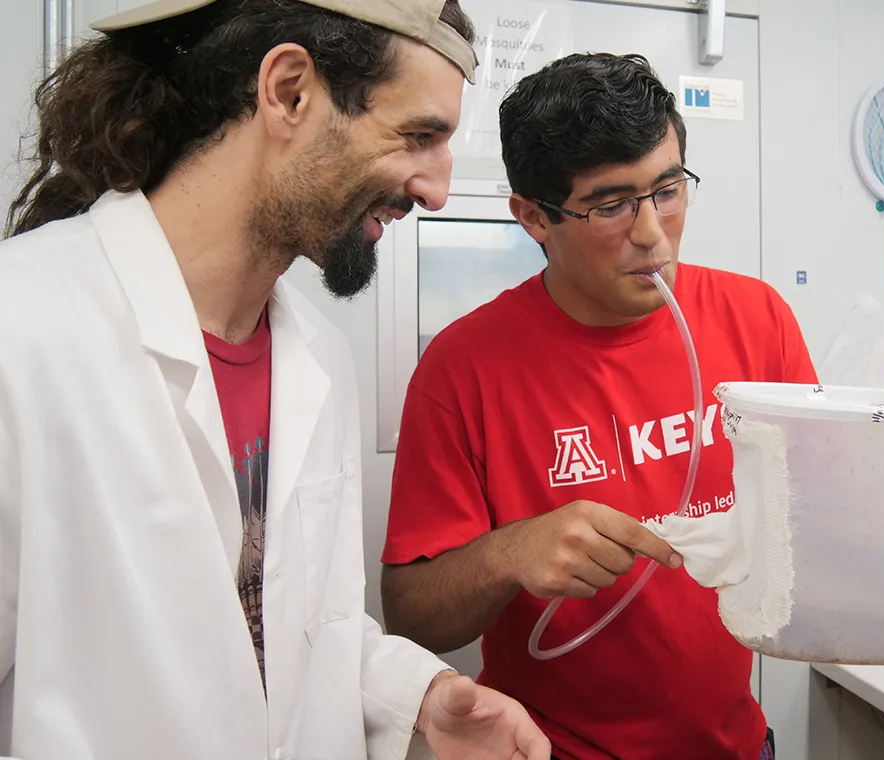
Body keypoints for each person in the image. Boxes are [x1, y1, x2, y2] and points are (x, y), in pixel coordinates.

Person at [0, 1, 552, 759]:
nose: (436, 191)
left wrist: (412, 694)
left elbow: (277, 620)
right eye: (419, 136)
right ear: (288, 91)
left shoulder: (317, 357)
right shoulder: (21, 329)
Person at [380, 52, 884, 760]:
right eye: (611, 204)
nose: (653, 232)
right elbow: (411, 615)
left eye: (669, 189)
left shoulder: (758, 319)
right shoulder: (462, 370)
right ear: (533, 217)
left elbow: (822, 524)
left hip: (737, 746)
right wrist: (508, 555)